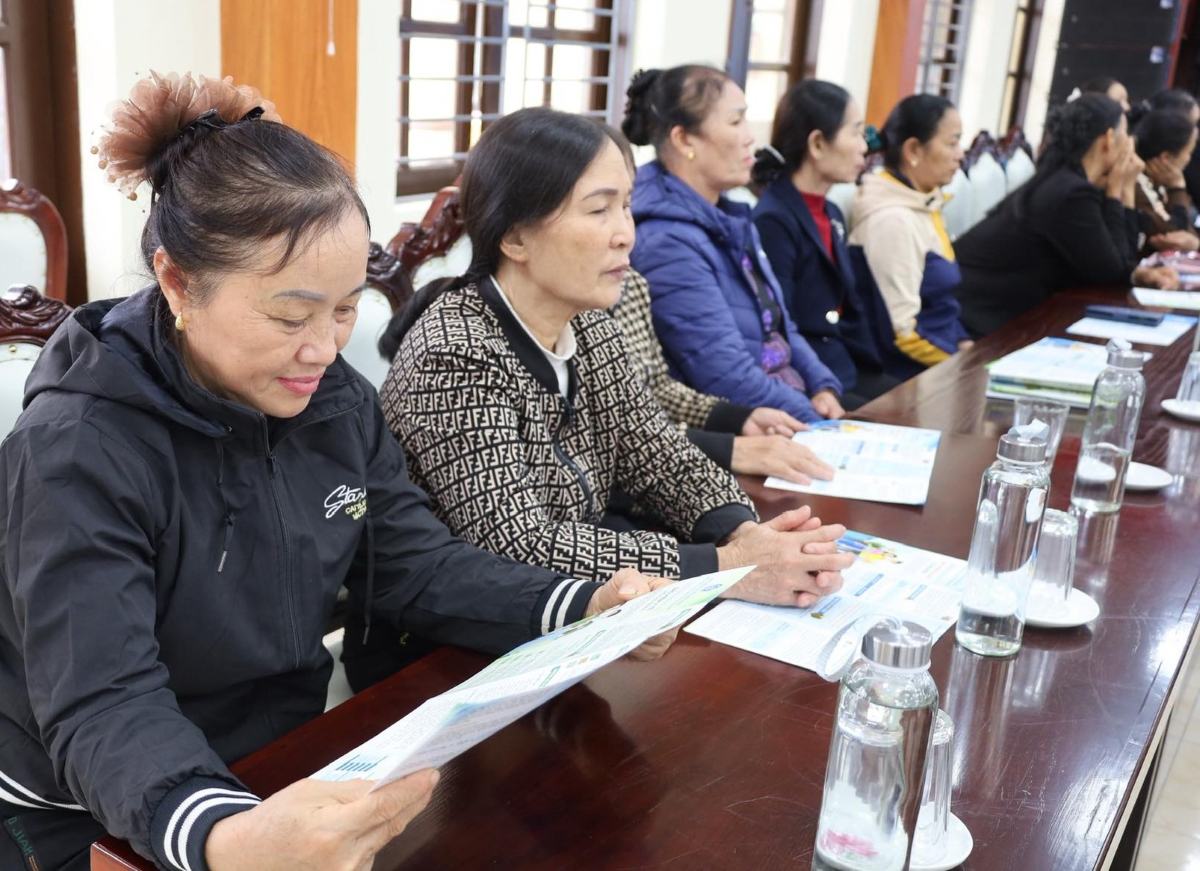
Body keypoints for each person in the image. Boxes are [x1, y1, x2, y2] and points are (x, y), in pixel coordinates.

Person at [0, 73, 679, 871]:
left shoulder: (331, 399)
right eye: (291, 315)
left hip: (283, 760)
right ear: (178, 282)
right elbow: (105, 700)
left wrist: (585, 602)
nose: (324, 349)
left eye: (347, 308)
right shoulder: (79, 444)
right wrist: (226, 836)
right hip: (103, 811)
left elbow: (414, 566)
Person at [375, 107, 853, 688]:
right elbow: (521, 544)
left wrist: (741, 532)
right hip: (453, 652)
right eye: (599, 209)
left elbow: (657, 453)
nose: (626, 231)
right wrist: (727, 569)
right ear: (516, 237)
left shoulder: (591, 323)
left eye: (625, 204)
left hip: (586, 615)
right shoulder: (455, 352)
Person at [623, 65, 847, 424]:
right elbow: (724, 378)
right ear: (684, 140)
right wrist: (818, 424)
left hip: (785, 405)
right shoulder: (667, 241)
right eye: (736, 122)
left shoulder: (728, 215)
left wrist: (823, 387)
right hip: (742, 428)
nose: (750, 138)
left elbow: (781, 327)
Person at [954, 94, 1180, 336]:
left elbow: (1114, 262)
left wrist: (1137, 273)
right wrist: (1120, 189)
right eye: (1126, 135)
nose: (1130, 144)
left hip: (1006, 311)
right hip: (975, 317)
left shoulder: (1070, 180)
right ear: (1109, 139)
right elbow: (1110, 273)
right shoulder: (1070, 193)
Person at [751, 79, 901, 406]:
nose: (865, 146)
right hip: (814, 379)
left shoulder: (830, 210)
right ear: (817, 144)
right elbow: (779, 323)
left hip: (846, 362)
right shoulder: (774, 220)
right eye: (856, 132)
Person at [610, 268, 836, 484]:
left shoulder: (630, 282)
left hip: (675, 451)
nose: (625, 237)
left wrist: (737, 417)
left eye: (628, 223)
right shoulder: (669, 245)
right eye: (601, 223)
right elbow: (727, 374)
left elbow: (655, 387)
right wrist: (727, 448)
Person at [848, 94, 971, 377]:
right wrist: (965, 365)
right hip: (908, 374)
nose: (960, 154)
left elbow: (942, 305)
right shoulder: (893, 220)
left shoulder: (924, 201)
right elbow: (903, 333)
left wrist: (966, 345)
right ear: (913, 149)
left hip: (941, 357)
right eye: (952, 143)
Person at [1131, 107, 1199, 253]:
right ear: (1166, 158)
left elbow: (1189, 234)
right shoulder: (1134, 184)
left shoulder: (1158, 182)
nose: (1189, 159)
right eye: (1188, 152)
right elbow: (1174, 236)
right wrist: (1177, 188)